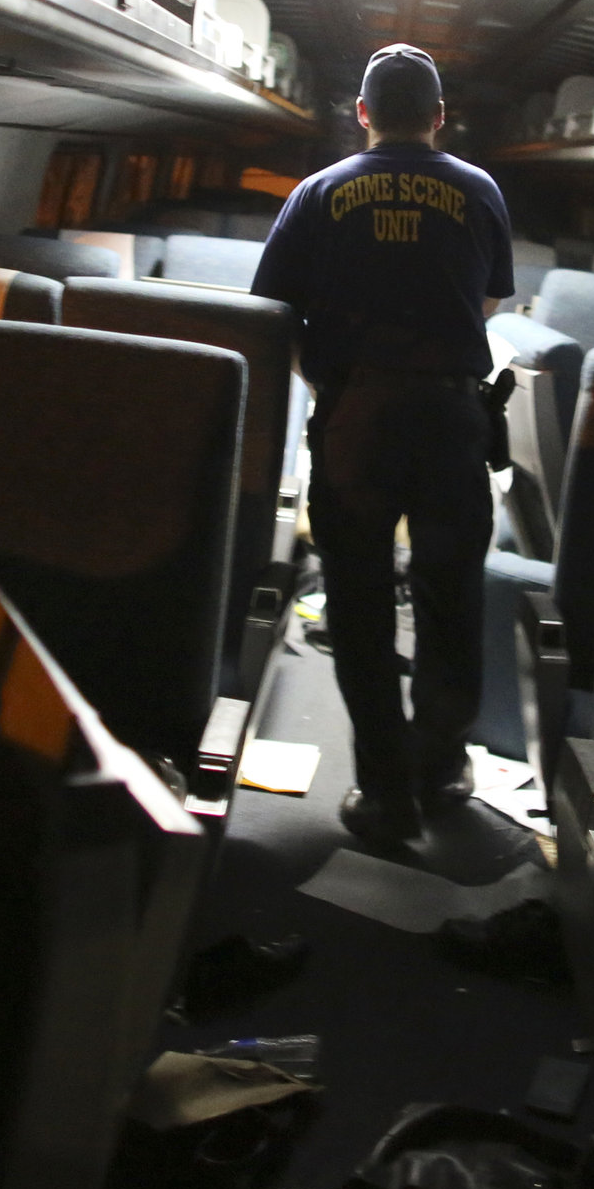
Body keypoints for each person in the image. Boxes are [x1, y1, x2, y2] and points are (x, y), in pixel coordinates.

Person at [252, 44, 515, 843]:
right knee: (450, 596)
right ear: (439, 117)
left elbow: (270, 314)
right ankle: (441, 771)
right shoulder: (478, 190)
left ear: (361, 113)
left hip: (355, 417)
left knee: (360, 603)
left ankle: (383, 792)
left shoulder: (317, 191)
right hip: (450, 418)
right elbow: (493, 300)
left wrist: (330, 381)